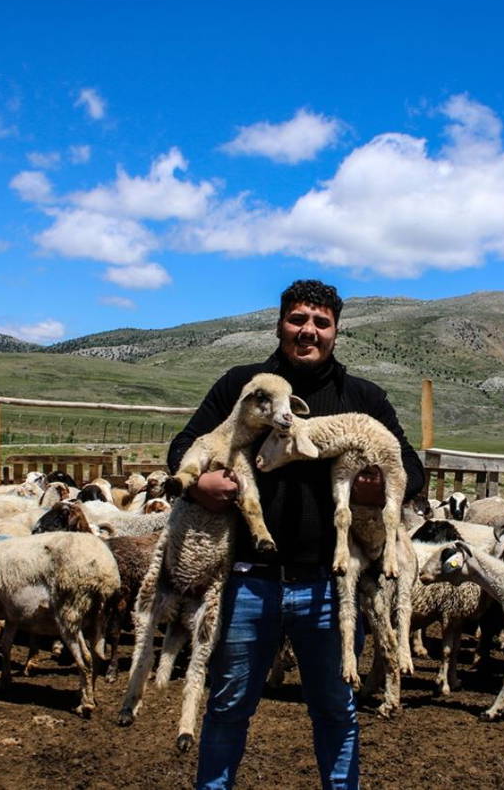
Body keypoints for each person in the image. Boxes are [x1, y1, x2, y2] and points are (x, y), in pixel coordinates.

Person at [168, 279, 425, 790]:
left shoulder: (361, 397)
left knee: (335, 708)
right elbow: (185, 445)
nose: (308, 332)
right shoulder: (244, 387)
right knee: (229, 705)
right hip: (247, 580)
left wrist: (378, 488)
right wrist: (198, 484)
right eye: (298, 320)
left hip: (328, 586)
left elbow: (412, 470)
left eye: (320, 323)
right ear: (280, 324)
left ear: (336, 330)